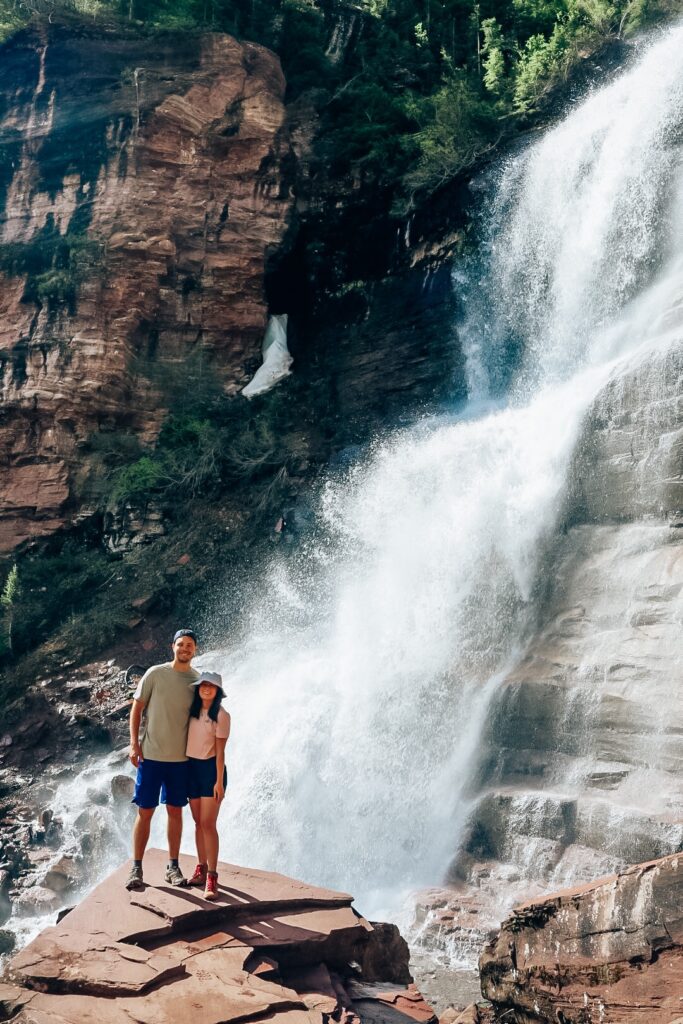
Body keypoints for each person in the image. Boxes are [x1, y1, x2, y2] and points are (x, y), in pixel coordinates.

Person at [126, 628, 200, 891]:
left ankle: (173, 866)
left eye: (190, 645)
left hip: (180, 760)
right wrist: (134, 744)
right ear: (173, 647)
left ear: (195, 650)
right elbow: (137, 708)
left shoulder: (197, 681)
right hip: (151, 756)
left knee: (175, 811)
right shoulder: (155, 674)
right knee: (145, 811)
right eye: (181, 644)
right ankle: (136, 867)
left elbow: (204, 720)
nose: (185, 649)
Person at [185, 671, 231, 900]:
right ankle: (200, 867)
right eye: (203, 685)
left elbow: (221, 753)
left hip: (211, 771)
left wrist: (219, 782)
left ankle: (212, 876)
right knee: (197, 822)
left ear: (218, 691)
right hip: (190, 769)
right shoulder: (191, 712)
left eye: (211, 686)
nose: (206, 688)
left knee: (208, 823)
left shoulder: (221, 716)